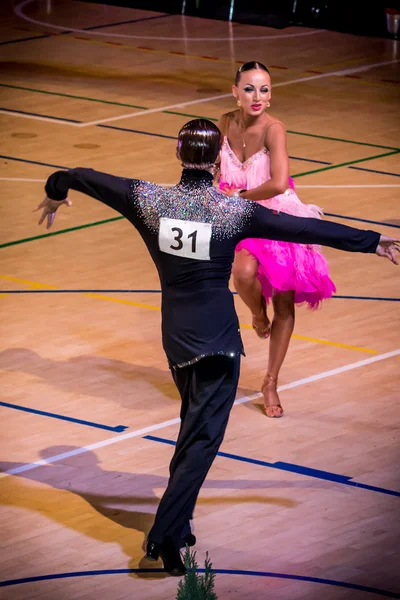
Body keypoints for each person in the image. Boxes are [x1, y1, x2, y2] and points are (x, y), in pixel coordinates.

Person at [36, 119, 398, 576]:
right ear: (217, 159)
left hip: (176, 338)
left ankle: (179, 524)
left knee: (193, 431)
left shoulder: (146, 199)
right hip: (218, 342)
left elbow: (79, 175)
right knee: (203, 440)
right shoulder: (234, 211)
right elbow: (308, 231)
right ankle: (164, 538)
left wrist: (54, 190)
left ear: (177, 154)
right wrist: (373, 242)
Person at [217, 61, 335, 417]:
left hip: (276, 214)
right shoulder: (224, 123)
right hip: (237, 214)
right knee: (243, 273)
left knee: (284, 300)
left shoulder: (274, 129)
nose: (258, 96)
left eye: (264, 89)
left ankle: (270, 381)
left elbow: (279, 183)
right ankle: (256, 313)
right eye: (250, 88)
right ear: (235, 92)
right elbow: (211, 169)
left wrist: (236, 198)